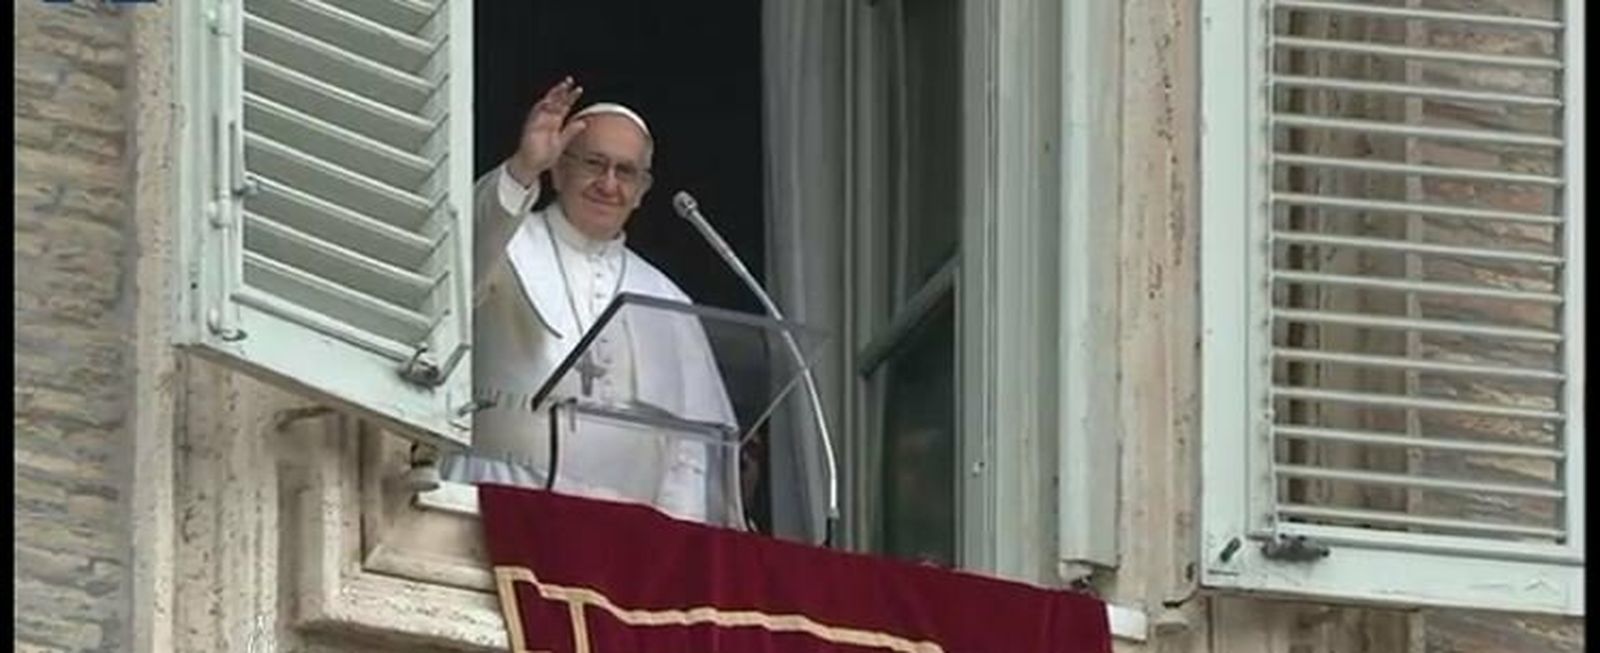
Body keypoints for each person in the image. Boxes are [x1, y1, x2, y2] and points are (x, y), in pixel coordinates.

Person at [441, 77, 738, 525]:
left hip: (626, 533)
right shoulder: (508, 244)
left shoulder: (666, 297)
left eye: (626, 172)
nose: (608, 184)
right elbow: (461, 255)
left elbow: (688, 452)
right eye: (594, 163)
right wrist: (524, 167)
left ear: (642, 191)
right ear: (559, 169)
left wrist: (683, 544)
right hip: (503, 499)